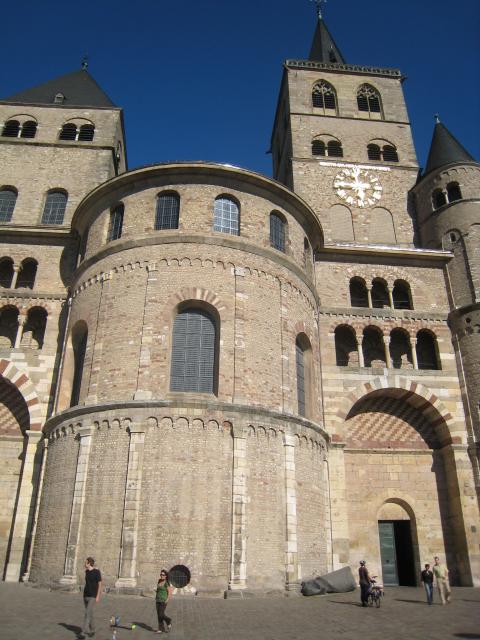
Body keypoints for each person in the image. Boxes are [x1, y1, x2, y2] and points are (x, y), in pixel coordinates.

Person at [81, 557, 102, 638]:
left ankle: (83, 632)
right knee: (90, 613)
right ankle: (93, 629)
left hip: (93, 596)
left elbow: (100, 584)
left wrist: (98, 596)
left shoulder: (97, 572)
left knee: (87, 613)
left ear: (89, 563)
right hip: (85, 595)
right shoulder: (86, 571)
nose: (84, 563)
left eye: (86, 562)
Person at [155, 569, 173, 633]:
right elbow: (158, 589)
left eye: (163, 575)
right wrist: (156, 591)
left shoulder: (167, 583)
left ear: (166, 576)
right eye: (161, 574)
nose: (161, 576)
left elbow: (170, 592)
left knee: (161, 614)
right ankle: (161, 628)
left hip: (163, 600)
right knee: (158, 615)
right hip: (157, 599)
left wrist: (167, 600)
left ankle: (168, 620)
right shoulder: (159, 581)